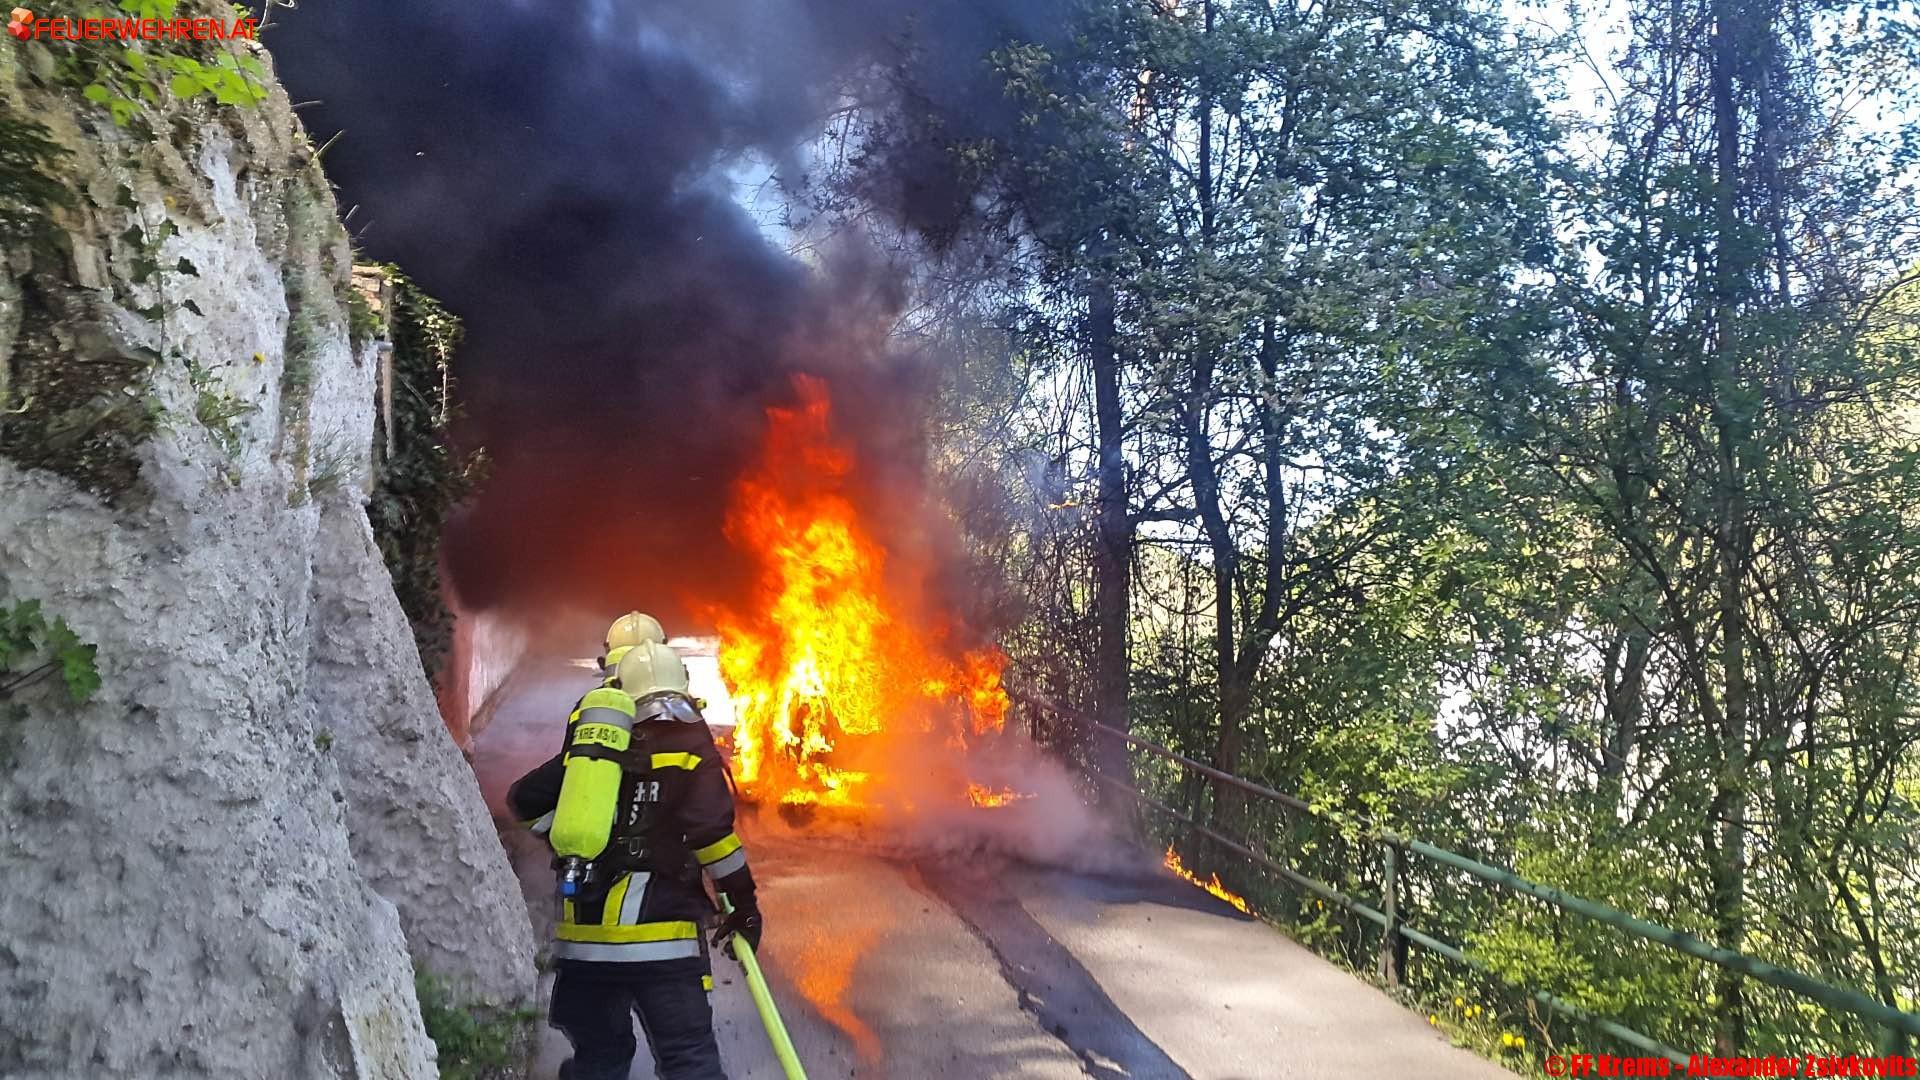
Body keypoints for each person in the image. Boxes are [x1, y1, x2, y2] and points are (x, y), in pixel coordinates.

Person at [509, 640, 762, 1080]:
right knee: (689, 1061)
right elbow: (712, 836)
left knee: (600, 1061)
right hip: (662, 945)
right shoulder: (688, 745)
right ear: (680, 688)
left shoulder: (596, 747)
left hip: (584, 948)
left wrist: (569, 839)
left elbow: (526, 798)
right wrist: (743, 902)